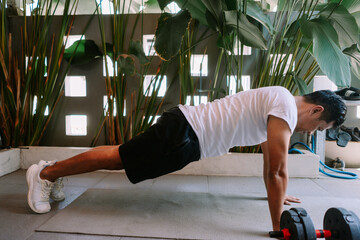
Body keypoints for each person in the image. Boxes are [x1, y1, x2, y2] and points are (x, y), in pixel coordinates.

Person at [26, 86, 346, 231]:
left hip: (189, 138)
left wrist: (275, 196)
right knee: (118, 157)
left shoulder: (280, 105)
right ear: (316, 110)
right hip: (186, 131)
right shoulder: (286, 107)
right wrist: (279, 225)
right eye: (318, 126)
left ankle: (51, 173)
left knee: (121, 159)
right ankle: (45, 175)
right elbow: (277, 170)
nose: (311, 131)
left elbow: (270, 162)